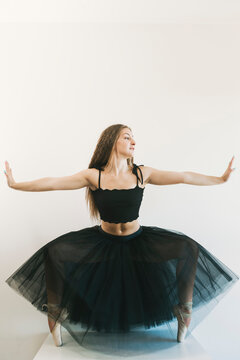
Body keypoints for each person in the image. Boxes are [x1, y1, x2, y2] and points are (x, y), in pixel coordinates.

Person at [4, 124, 239, 348]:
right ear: (111, 141)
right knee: (54, 253)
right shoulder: (93, 176)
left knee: (188, 249)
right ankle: (55, 312)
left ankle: (183, 310)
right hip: (103, 243)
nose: (133, 141)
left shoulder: (141, 173)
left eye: (133, 137)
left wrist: (220, 179)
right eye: (127, 136)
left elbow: (183, 176)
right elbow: (54, 183)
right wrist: (16, 184)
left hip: (138, 242)